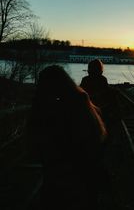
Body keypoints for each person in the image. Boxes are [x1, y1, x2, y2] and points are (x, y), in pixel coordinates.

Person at [27, 65, 107, 210]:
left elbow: (37, 137)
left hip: (68, 176)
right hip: (86, 174)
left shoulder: (59, 107)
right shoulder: (81, 100)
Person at [80, 59, 121, 134]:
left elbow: (81, 92)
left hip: (88, 105)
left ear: (89, 70)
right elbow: (106, 90)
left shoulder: (85, 80)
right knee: (115, 95)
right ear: (100, 70)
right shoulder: (102, 79)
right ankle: (116, 119)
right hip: (101, 106)